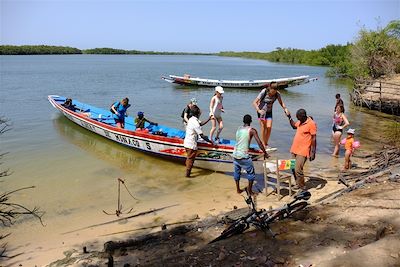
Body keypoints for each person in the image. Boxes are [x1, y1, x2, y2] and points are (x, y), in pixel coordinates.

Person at [232, 114, 268, 195]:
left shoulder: (239, 129)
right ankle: (250, 191)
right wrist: (265, 153)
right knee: (251, 173)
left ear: (243, 121)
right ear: (251, 121)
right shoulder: (252, 130)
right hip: (243, 156)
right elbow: (259, 142)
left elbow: (241, 141)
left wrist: (249, 148)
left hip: (235, 154)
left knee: (237, 173)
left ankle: (238, 190)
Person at [287, 109, 317, 191]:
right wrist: (289, 117)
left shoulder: (311, 123)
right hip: (294, 148)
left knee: (298, 169)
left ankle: (302, 187)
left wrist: (313, 152)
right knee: (292, 167)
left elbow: (314, 138)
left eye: (298, 118)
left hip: (303, 150)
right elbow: (294, 126)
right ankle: (298, 184)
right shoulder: (300, 122)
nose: (298, 120)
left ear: (303, 116)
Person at [252, 82, 289, 149]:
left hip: (269, 112)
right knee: (263, 127)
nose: (274, 93)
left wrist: (285, 108)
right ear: (270, 88)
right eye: (273, 91)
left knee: (269, 127)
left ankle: (266, 143)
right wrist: (259, 110)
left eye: (275, 91)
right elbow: (254, 102)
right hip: (261, 112)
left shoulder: (277, 94)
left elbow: (281, 102)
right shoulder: (264, 92)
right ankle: (263, 144)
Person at [183, 105, 212, 178]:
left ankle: (187, 173)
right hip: (191, 144)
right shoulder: (195, 122)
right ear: (197, 114)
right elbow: (202, 135)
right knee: (190, 160)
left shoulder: (192, 119)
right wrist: (210, 142)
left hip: (187, 142)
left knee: (188, 158)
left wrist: (209, 119)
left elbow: (201, 123)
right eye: (200, 113)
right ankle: (187, 176)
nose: (200, 114)